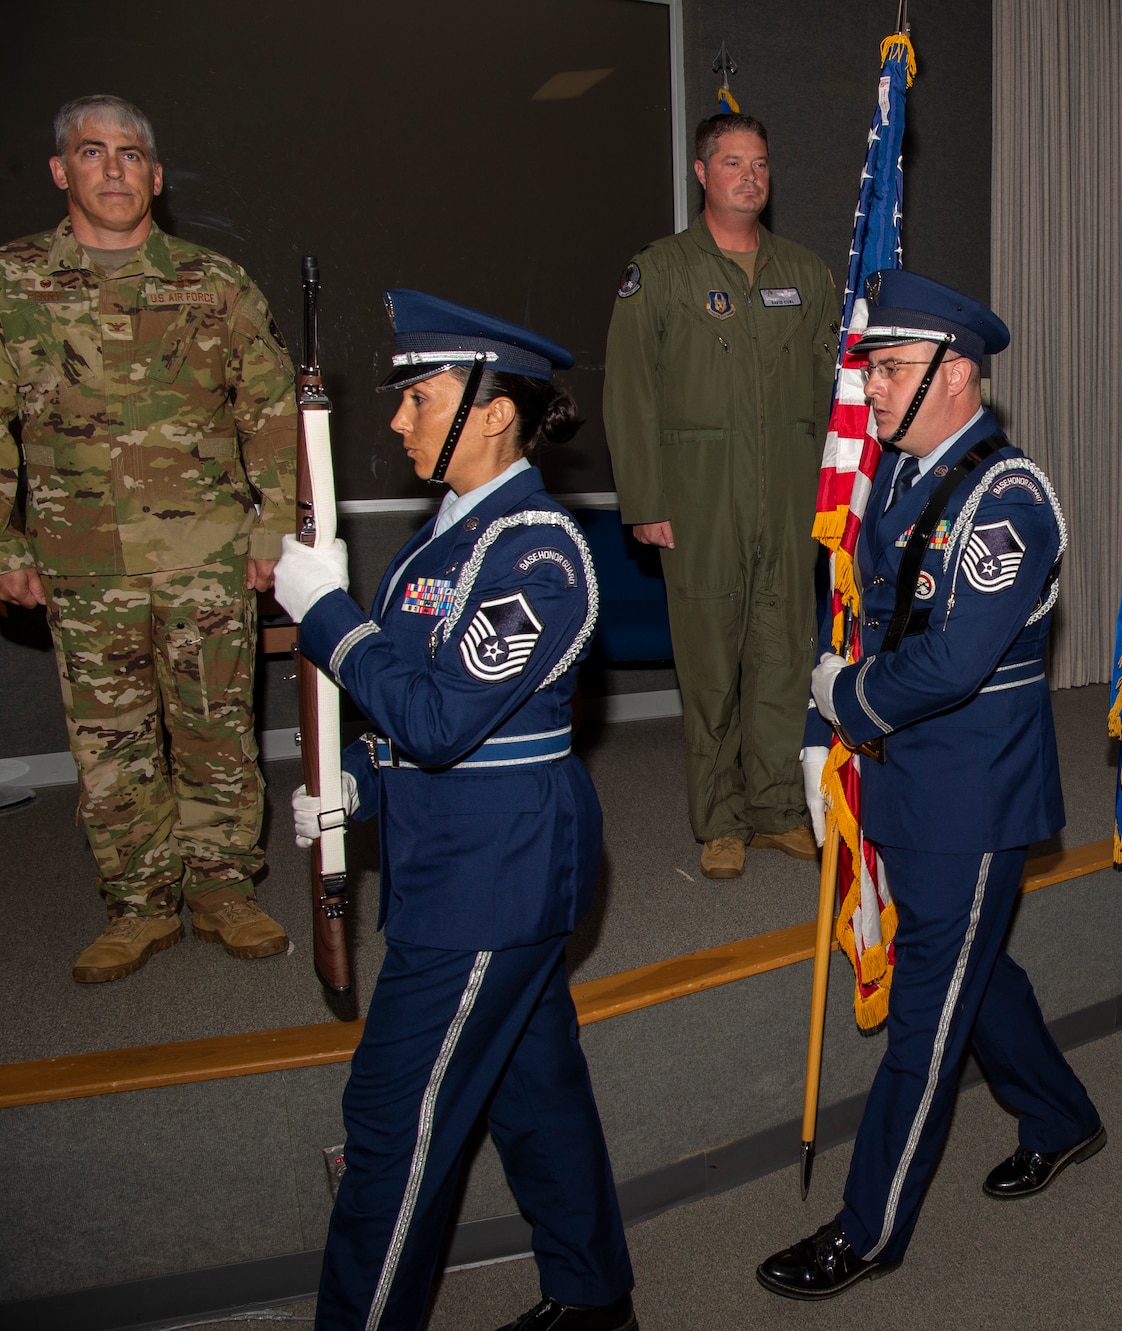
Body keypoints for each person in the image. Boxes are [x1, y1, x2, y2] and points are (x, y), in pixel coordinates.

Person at [280, 292, 634, 1331]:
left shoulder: (536, 552)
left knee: (393, 1121)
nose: (396, 418)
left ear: (492, 410)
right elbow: (409, 711)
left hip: (494, 868)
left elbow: (438, 717)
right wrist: (355, 776)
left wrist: (327, 616)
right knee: (532, 1086)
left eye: (419, 396)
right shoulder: (444, 537)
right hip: (458, 848)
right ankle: (592, 1292)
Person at [755, 271, 1101, 1300]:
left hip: (970, 800)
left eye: (891, 369)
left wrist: (844, 697)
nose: (870, 393)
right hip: (899, 779)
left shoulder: (1007, 497)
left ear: (956, 374)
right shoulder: (897, 479)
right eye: (870, 371)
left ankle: (866, 1228)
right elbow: (856, 613)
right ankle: (1062, 1114)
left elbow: (949, 661)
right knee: (972, 973)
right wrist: (826, 730)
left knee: (924, 1024)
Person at [0, 95, 295, 981]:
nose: (115, 167)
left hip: (206, 552)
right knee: (110, 741)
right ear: (62, 172)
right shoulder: (14, 284)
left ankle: (221, 889)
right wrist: (7, 546)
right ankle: (137, 905)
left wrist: (273, 527)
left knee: (216, 729)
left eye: (131, 154)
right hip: (80, 558)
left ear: (157, 177)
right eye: (94, 152)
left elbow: (271, 412)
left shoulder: (215, 282)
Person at [602, 111, 841, 880]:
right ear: (701, 173)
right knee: (710, 663)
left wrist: (840, 492)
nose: (751, 176)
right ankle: (718, 817)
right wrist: (644, 498)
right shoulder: (661, 271)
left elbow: (838, 391)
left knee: (782, 655)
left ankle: (775, 808)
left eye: (762, 163)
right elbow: (630, 393)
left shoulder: (805, 274)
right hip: (699, 498)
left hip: (791, 496)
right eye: (733, 162)